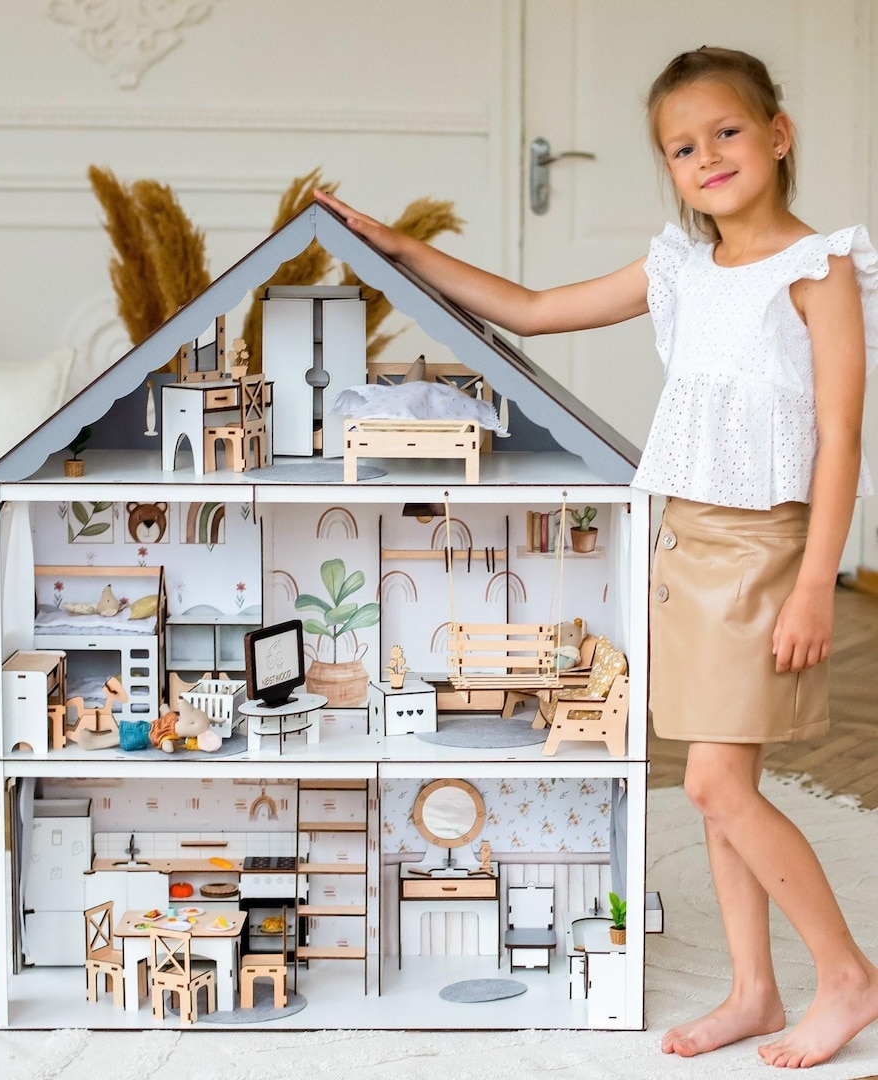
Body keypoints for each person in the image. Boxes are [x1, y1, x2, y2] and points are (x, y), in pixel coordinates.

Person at [317, 45, 877, 1069]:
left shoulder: (819, 268)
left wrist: (812, 587)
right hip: (686, 546)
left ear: (779, 135)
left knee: (714, 785)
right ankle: (754, 991)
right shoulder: (680, 268)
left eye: (727, 131)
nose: (706, 156)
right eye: (681, 146)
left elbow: (842, 436)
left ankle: (845, 976)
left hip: (765, 555)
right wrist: (404, 249)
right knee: (718, 783)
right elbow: (532, 308)